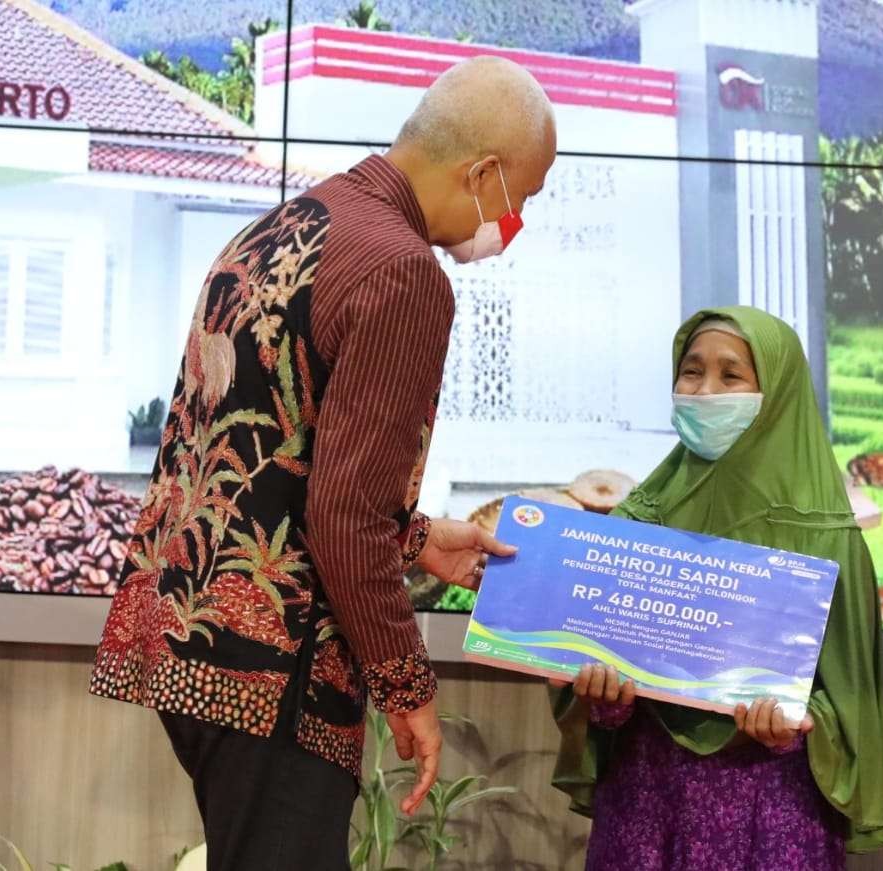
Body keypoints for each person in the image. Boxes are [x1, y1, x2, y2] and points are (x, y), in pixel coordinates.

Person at [90, 56, 557, 870]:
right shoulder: (405, 272)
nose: (515, 223)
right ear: (482, 172)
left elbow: (271, 452)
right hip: (279, 678)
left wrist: (415, 540)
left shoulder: (281, 227)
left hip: (186, 642)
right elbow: (341, 516)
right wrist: (407, 688)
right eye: (524, 197)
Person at [549, 307, 883, 870]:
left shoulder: (829, 541)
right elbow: (587, 672)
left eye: (731, 376)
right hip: (645, 805)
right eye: (691, 372)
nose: (706, 391)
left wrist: (795, 726)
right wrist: (601, 699)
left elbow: (854, 710)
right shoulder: (637, 523)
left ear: (776, 393)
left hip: (773, 813)